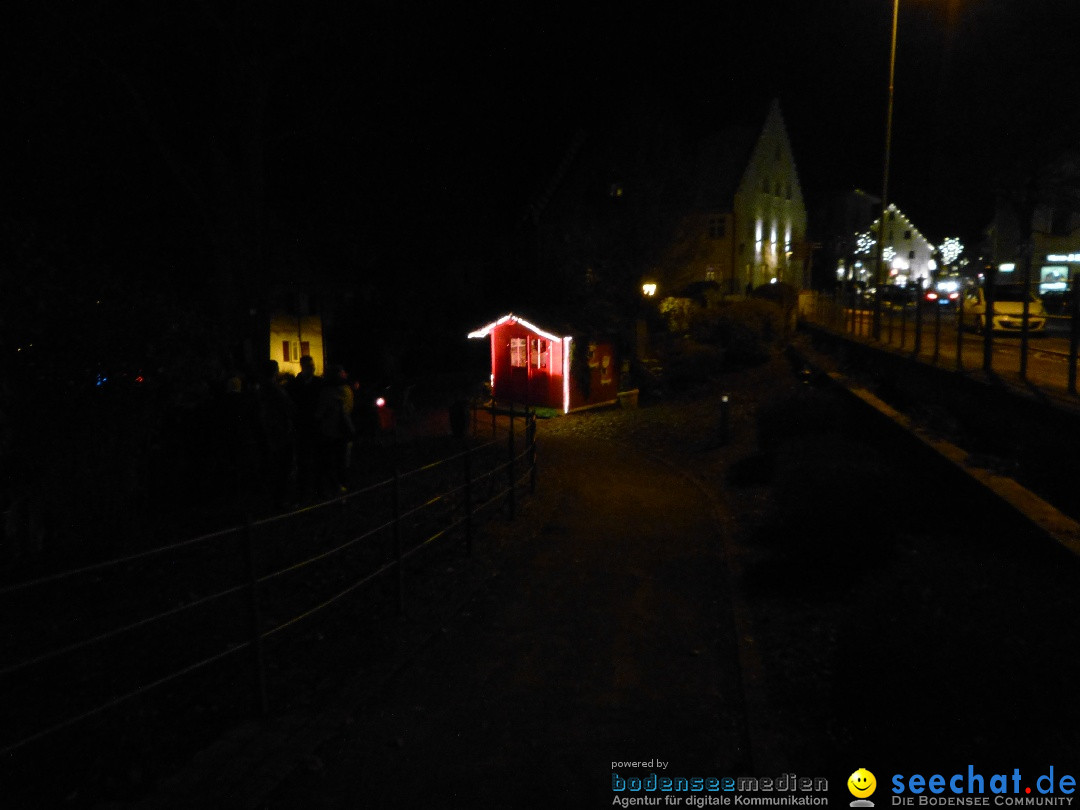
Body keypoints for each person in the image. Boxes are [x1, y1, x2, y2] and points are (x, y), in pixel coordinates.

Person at [255, 359, 296, 511]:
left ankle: (273, 499)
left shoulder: (261, 389)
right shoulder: (275, 390)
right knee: (282, 467)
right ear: (275, 371)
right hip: (280, 433)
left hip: (270, 432)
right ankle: (280, 501)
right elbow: (289, 408)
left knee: (273, 466)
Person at [315, 364, 355, 496]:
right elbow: (349, 409)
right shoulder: (348, 390)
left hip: (330, 432)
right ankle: (344, 488)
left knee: (330, 461)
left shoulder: (326, 392)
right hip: (345, 431)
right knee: (343, 463)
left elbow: (319, 414)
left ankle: (334, 488)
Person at [288, 355, 321, 503]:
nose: (313, 368)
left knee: (314, 457)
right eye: (310, 366)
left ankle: (314, 489)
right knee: (303, 459)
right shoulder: (295, 384)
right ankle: (304, 490)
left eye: (312, 366)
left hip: (314, 425)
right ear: (303, 367)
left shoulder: (318, 383)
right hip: (302, 426)